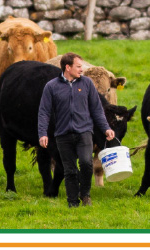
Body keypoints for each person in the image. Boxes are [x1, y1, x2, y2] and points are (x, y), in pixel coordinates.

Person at [37, 52, 115, 208]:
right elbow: (44, 112)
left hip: (84, 132)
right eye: (78, 66)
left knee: (86, 164)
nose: (81, 69)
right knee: (70, 169)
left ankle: (85, 194)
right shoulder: (51, 86)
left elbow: (97, 110)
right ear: (68, 67)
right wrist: (43, 133)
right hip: (62, 134)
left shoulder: (87, 84)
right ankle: (72, 201)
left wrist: (106, 128)